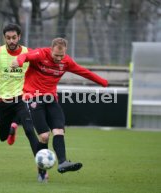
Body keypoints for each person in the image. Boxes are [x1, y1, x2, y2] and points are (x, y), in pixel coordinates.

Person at [11, 37, 109, 181]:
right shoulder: (40, 54)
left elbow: (84, 72)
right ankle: (42, 171)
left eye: (61, 55)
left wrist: (103, 82)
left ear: (65, 52)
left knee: (58, 131)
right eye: (56, 55)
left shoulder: (66, 62)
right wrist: (18, 61)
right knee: (44, 136)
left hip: (51, 99)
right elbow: (25, 56)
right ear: (51, 50)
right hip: (33, 97)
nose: (58, 58)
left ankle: (63, 162)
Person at [0, 23, 39, 164]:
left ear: (19, 37)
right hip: (3, 100)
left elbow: (40, 68)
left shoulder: (29, 53)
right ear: (4, 38)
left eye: (14, 37)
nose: (11, 41)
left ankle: (41, 168)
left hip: (22, 97)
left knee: (29, 131)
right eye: (8, 38)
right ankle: (12, 128)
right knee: (3, 136)